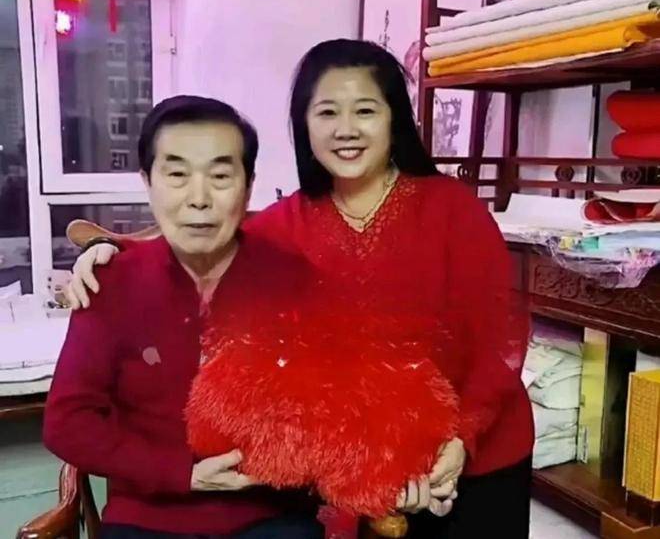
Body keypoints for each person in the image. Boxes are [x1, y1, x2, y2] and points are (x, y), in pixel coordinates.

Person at [66, 40, 534, 538]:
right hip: (372, 466)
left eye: (365, 110)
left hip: (479, 454)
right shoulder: (283, 225)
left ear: (394, 119)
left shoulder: (453, 209)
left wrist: (461, 440)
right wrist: (107, 250)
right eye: (327, 112)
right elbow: (202, 237)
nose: (345, 129)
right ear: (303, 124)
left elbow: (497, 340)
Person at [44, 96, 324, 539]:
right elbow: (67, 423)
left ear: (248, 186)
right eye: (177, 175)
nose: (199, 200)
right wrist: (181, 473)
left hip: (270, 515)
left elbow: (332, 398)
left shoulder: (294, 280)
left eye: (220, 176)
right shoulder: (110, 284)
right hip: (147, 518)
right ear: (147, 182)